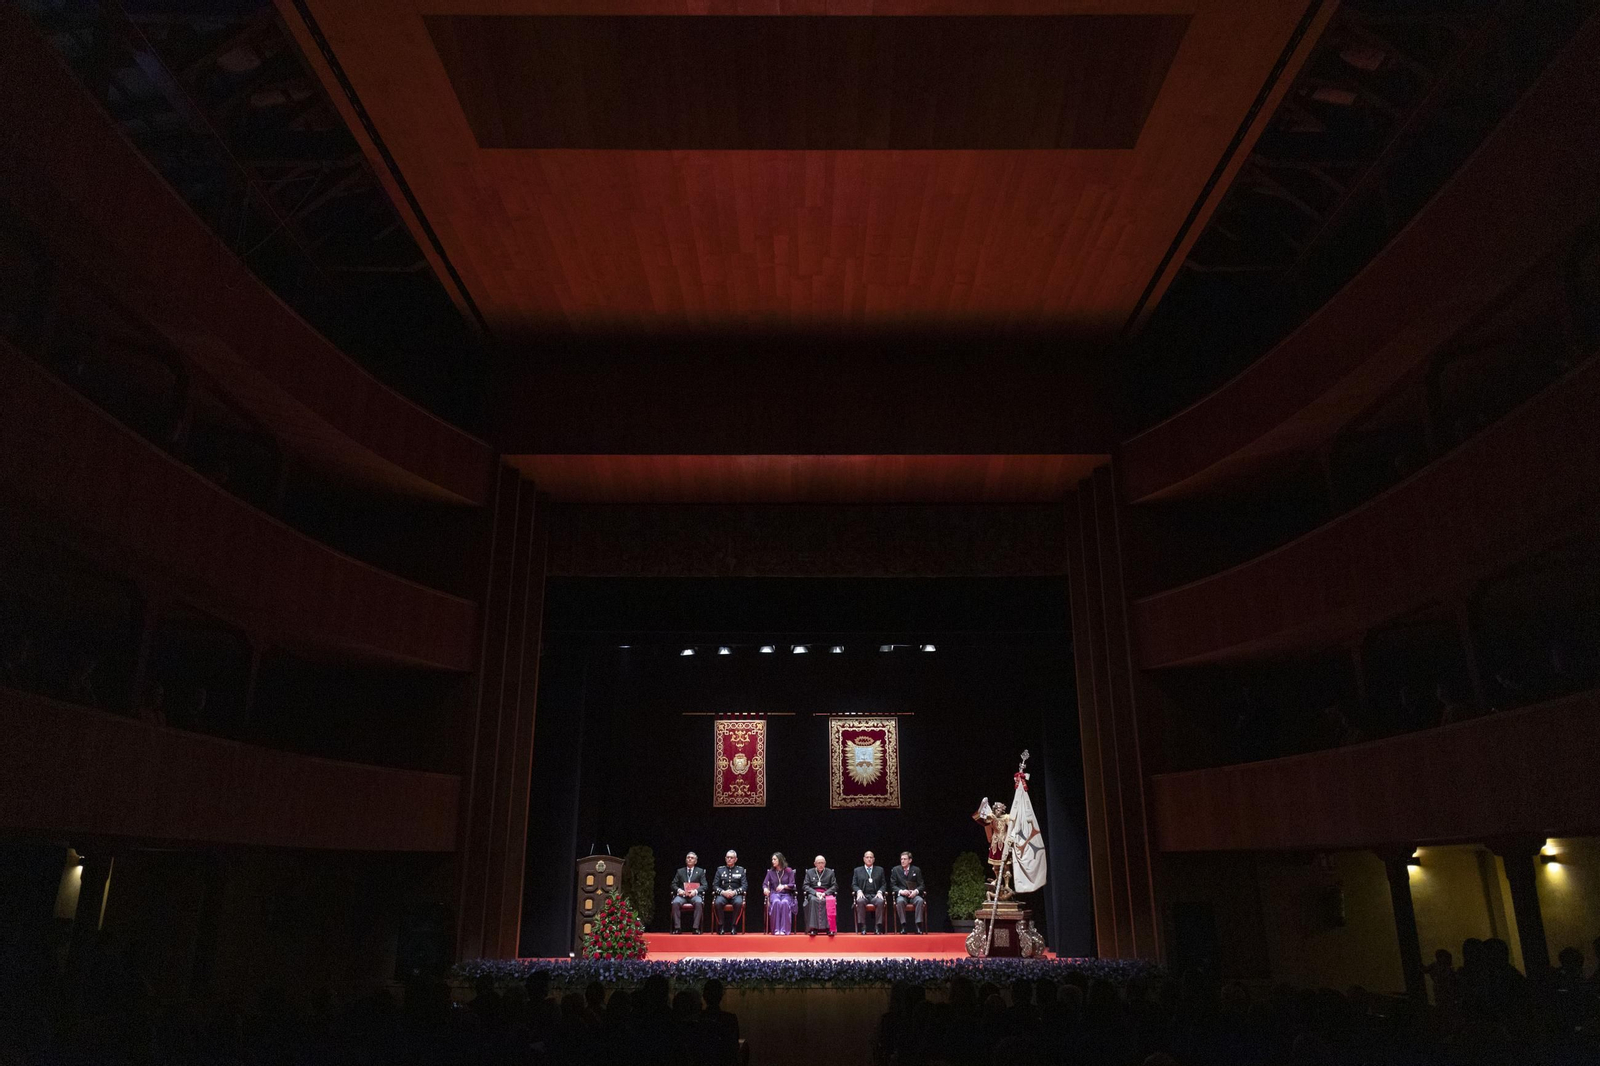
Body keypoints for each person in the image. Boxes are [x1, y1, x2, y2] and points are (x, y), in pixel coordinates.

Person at [668, 852, 708, 933]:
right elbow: (673, 884)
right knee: (675, 902)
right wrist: (679, 890)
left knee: (699, 902)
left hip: (694, 895)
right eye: (688, 857)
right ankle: (677, 928)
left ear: (695, 861)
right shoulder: (680, 871)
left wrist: (696, 891)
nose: (690, 859)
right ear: (686, 860)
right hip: (682, 895)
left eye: (692, 858)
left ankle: (695, 928)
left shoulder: (700, 871)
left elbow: (705, 885)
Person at [890, 850, 927, 933]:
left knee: (920, 900)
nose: (902, 861)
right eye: (901, 859)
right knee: (899, 901)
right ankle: (903, 926)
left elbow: (922, 885)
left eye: (905, 859)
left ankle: (918, 926)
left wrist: (916, 891)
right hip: (902, 895)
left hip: (913, 895)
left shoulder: (916, 870)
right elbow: (893, 885)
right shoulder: (895, 870)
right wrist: (901, 891)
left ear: (910, 860)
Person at [853, 850, 888, 934]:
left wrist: (880, 891)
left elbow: (884, 884)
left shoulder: (880, 870)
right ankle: (863, 927)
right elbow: (854, 884)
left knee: (881, 901)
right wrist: (858, 891)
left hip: (875, 895)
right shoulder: (857, 870)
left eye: (871, 857)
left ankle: (877, 927)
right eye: (867, 857)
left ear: (874, 859)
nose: (869, 859)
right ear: (864, 859)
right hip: (863, 895)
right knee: (860, 901)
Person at [713, 850, 747, 934]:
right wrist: (723, 892)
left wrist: (735, 892)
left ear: (735, 859)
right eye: (727, 857)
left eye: (731, 858)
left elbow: (744, 886)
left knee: (739, 903)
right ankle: (721, 926)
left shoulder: (741, 870)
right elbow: (714, 885)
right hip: (723, 894)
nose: (729, 859)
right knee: (717, 902)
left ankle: (734, 926)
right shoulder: (720, 870)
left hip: (735, 894)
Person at [763, 852, 797, 935]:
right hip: (775, 894)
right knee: (776, 902)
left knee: (785, 903)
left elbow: (792, 885)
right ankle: (775, 929)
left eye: (775, 859)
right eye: (772, 859)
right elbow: (764, 883)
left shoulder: (789, 871)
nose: (773, 861)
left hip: (786, 894)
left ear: (780, 860)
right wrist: (765, 889)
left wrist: (784, 886)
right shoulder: (770, 872)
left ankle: (784, 929)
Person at [803, 855, 837, 937]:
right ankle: (813, 928)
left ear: (825, 863)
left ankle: (829, 928)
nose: (821, 865)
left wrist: (825, 893)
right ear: (815, 864)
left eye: (822, 863)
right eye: (819, 863)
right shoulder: (809, 872)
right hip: (814, 893)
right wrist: (815, 893)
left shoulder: (830, 872)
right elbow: (805, 886)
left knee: (828, 901)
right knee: (813, 900)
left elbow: (835, 886)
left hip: (826, 893)